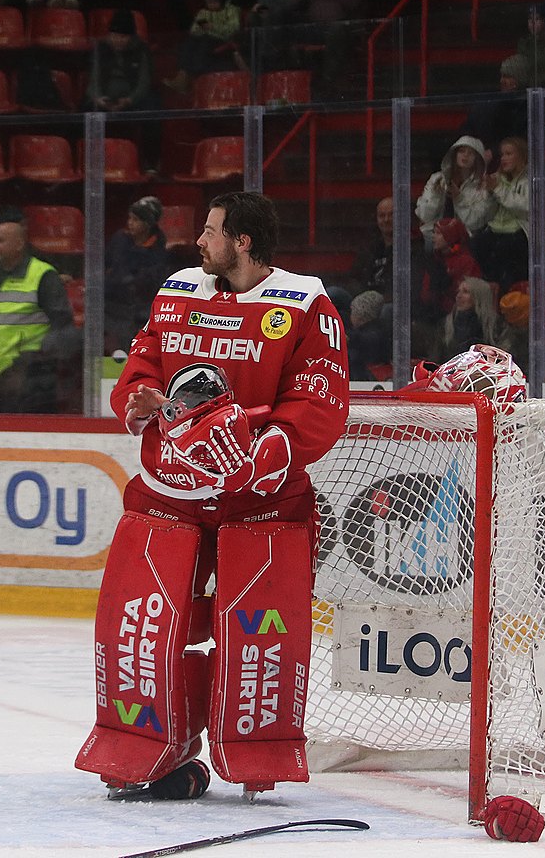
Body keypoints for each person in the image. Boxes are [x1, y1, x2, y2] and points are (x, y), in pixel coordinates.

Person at [75, 191, 349, 802]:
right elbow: (141, 365)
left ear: (243, 242)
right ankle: (144, 745)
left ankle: (254, 744)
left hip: (259, 502)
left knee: (255, 633)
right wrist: (138, 401)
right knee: (143, 626)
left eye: (212, 230)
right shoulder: (177, 291)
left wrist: (276, 446)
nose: (200, 241)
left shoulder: (305, 305)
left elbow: (319, 399)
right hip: (169, 493)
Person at [0, 207, 77, 412]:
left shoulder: (42, 276)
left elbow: (62, 326)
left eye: (1, 241)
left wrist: (34, 359)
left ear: (19, 244)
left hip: (28, 384)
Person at [474, 136, 545, 289]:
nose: (503, 158)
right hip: (498, 229)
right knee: (478, 243)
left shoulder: (534, 180)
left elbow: (529, 206)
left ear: (522, 156)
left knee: (506, 249)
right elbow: (486, 212)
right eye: (502, 154)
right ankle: (488, 292)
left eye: (509, 154)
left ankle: (507, 295)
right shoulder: (497, 178)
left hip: (526, 230)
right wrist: (489, 193)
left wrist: (498, 189)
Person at [105, 196, 172, 353]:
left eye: (135, 219)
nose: (130, 223)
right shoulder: (120, 240)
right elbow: (105, 266)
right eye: (129, 218)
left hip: (140, 312)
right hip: (112, 307)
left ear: (147, 224)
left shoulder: (159, 252)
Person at [414, 135, 494, 244]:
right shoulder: (437, 178)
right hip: (432, 236)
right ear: (454, 154)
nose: (465, 155)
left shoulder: (483, 186)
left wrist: (459, 198)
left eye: (471, 153)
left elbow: (474, 223)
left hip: (464, 239)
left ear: (477, 158)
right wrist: (437, 195)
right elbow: (424, 215)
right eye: (462, 151)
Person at [440, 276, 500, 360]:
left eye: (465, 292)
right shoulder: (447, 325)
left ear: (479, 297)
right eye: (458, 291)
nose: (458, 296)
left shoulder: (496, 326)